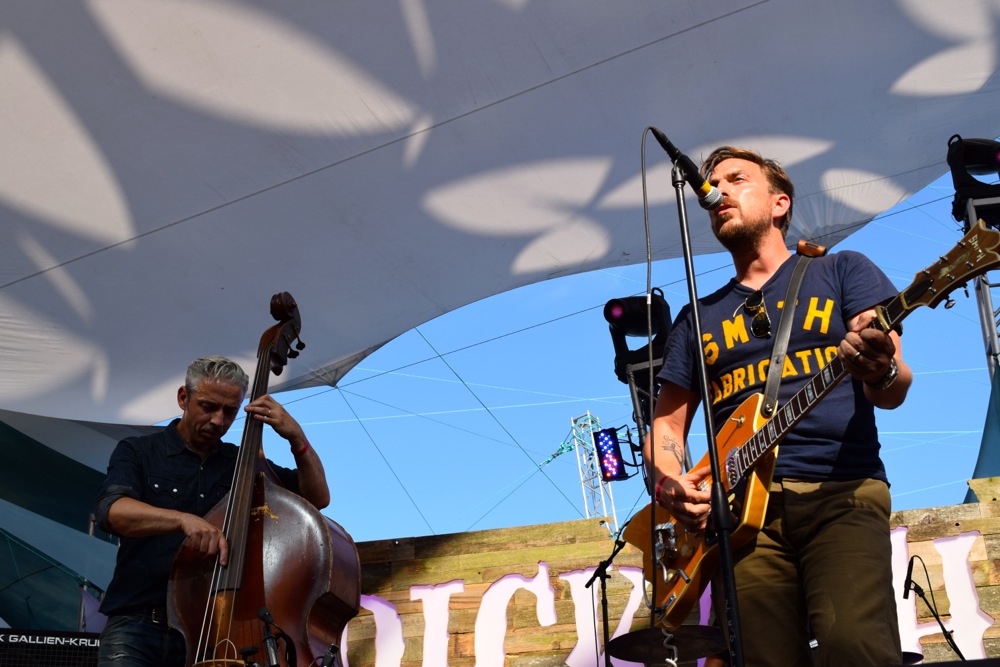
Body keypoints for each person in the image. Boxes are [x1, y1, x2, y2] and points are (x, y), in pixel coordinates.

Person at [643, 146, 912, 667]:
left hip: (840, 491)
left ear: (780, 202)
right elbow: (667, 424)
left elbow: (894, 387)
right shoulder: (697, 316)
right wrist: (671, 481)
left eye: (736, 179)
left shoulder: (841, 271)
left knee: (855, 647)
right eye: (711, 185)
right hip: (739, 518)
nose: (717, 192)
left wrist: (878, 366)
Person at [94, 355, 330, 667]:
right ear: (183, 398)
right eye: (208, 407)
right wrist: (182, 521)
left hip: (214, 630)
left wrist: (296, 437)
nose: (219, 421)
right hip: (138, 626)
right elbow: (112, 512)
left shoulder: (243, 465)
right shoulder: (138, 451)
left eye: (230, 412)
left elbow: (317, 497)